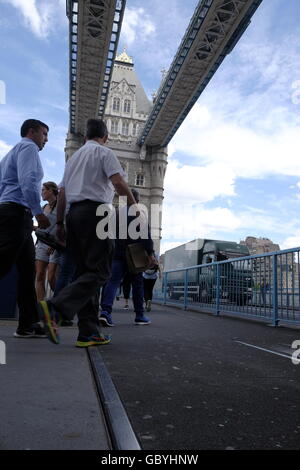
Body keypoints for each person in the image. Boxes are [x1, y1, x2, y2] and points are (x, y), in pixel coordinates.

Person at [38, 118, 137, 347]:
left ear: (85, 137)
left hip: (74, 216)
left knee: (85, 273)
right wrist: (136, 207)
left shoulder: (73, 159)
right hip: (98, 214)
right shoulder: (104, 153)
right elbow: (119, 183)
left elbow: (62, 194)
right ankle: (56, 307)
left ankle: (88, 333)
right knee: (101, 272)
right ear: (105, 137)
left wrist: (61, 224)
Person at [0, 119, 50, 338]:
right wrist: (38, 211)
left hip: (15, 214)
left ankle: (27, 324)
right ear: (32, 132)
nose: (46, 139)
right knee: (3, 263)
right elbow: (28, 180)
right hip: (16, 213)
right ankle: (28, 323)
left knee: (26, 272)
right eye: (44, 133)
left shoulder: (10, 154)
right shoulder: (29, 147)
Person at [99, 189, 155, 327]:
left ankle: (105, 312)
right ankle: (140, 316)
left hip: (117, 252)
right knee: (137, 284)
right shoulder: (138, 214)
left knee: (112, 282)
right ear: (137, 200)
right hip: (135, 253)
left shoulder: (115, 214)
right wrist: (150, 253)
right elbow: (145, 236)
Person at [35, 181, 61, 300]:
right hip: (42, 244)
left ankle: (60, 302)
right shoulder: (43, 208)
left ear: (51, 191)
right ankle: (42, 309)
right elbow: (42, 228)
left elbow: (62, 225)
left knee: (51, 277)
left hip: (55, 244)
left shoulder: (61, 205)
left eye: (43, 190)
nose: (41, 193)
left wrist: (56, 244)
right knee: (40, 276)